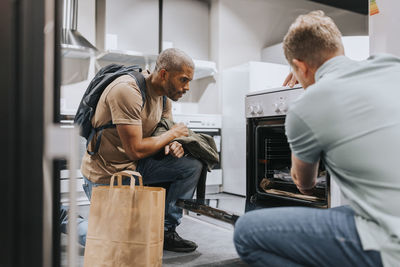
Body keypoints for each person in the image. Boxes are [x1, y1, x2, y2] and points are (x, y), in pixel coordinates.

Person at [234, 11, 400, 267]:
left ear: (299, 67)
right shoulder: (390, 67)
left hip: (390, 243)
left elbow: (305, 184)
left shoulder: (306, 106)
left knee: (246, 231)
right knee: (346, 211)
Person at [81, 48, 202, 252]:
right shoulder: (127, 90)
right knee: (118, 244)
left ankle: (167, 230)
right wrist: (173, 135)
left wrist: (174, 144)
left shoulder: (164, 98)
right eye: (183, 80)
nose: (187, 87)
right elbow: (135, 150)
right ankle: (64, 217)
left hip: (136, 169)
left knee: (190, 166)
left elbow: (163, 132)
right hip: (107, 175)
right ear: (163, 74)